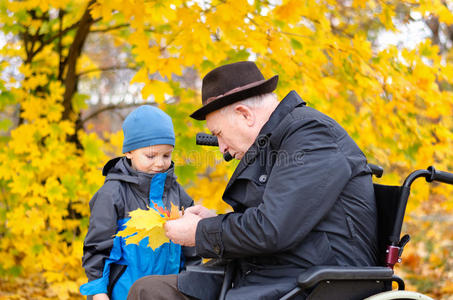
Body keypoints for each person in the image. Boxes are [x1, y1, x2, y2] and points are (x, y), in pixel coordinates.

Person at [127, 61, 379, 300]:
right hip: (266, 270)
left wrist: (200, 232)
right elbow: (270, 218)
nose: (223, 148)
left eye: (219, 135)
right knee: (149, 291)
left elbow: (272, 228)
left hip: (315, 281)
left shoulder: (312, 135)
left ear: (245, 114)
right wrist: (213, 222)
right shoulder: (278, 140)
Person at [80, 105, 198, 300]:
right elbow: (96, 248)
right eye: (151, 156)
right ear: (129, 152)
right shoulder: (112, 194)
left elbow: (192, 250)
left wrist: (196, 285)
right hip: (124, 294)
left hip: (169, 294)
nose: (160, 163)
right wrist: (98, 292)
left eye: (166, 155)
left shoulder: (177, 194)